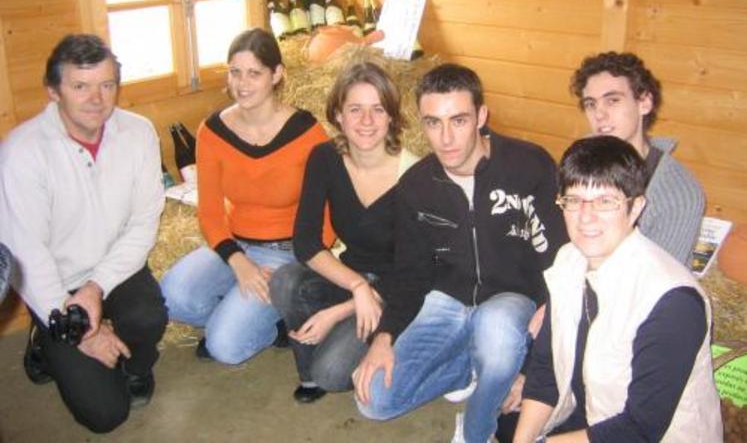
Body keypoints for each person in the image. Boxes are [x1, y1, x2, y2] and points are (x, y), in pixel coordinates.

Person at [353, 64, 568, 443]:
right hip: (446, 301)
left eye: (459, 120)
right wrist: (384, 337)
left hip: (510, 300)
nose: (447, 138)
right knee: (374, 401)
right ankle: (472, 366)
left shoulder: (530, 165)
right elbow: (410, 273)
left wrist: (533, 366)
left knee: (498, 334)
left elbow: (560, 259)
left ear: (481, 116)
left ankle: (474, 430)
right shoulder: (417, 186)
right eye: (433, 123)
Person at [0, 34, 167, 433]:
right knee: (107, 415)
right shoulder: (22, 152)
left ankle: (135, 366)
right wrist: (79, 330)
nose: (97, 98)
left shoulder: (139, 132)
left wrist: (95, 287)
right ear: (53, 91)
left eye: (107, 85)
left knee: (149, 315)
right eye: (80, 86)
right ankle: (46, 338)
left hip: (112, 269)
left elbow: (144, 222)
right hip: (55, 283)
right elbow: (28, 255)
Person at [514, 135, 722, 442]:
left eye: (605, 202)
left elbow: (639, 429)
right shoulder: (569, 260)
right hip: (589, 415)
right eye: (574, 200)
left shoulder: (673, 301)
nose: (586, 217)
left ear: (636, 207)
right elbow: (545, 370)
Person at [160, 28, 332, 365]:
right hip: (234, 244)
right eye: (235, 72)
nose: (242, 83)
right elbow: (210, 212)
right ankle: (244, 316)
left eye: (254, 73)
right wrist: (237, 261)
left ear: (276, 75)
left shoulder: (307, 133)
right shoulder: (212, 131)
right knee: (171, 298)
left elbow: (327, 213)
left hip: (287, 255)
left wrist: (297, 270)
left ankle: (263, 317)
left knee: (225, 348)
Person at [270, 62, 418, 404]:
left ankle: (390, 340)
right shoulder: (324, 158)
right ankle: (308, 370)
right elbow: (305, 241)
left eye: (377, 109)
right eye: (355, 109)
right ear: (338, 115)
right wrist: (356, 285)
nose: (366, 121)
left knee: (333, 374)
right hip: (352, 274)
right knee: (284, 280)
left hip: (395, 292)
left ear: (392, 117)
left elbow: (414, 273)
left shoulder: (415, 176)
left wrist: (343, 308)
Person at [570, 52, 704, 264]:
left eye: (612, 100)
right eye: (591, 104)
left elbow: (660, 278)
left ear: (644, 102)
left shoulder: (676, 192)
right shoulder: (581, 159)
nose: (599, 114)